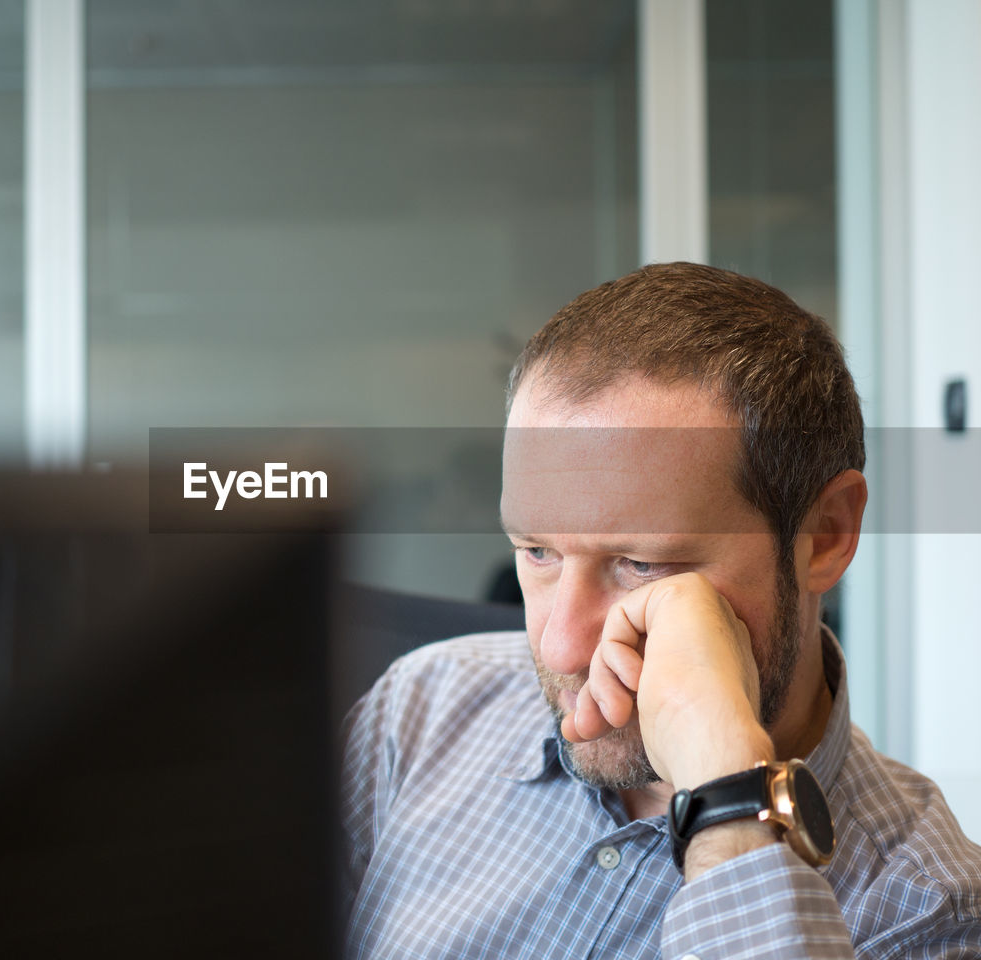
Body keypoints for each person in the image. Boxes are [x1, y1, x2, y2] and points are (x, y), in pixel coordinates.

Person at [341, 262, 981, 958]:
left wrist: (729, 794)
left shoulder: (927, 908)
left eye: (642, 565)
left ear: (825, 535)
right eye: (537, 552)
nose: (561, 649)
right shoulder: (422, 712)